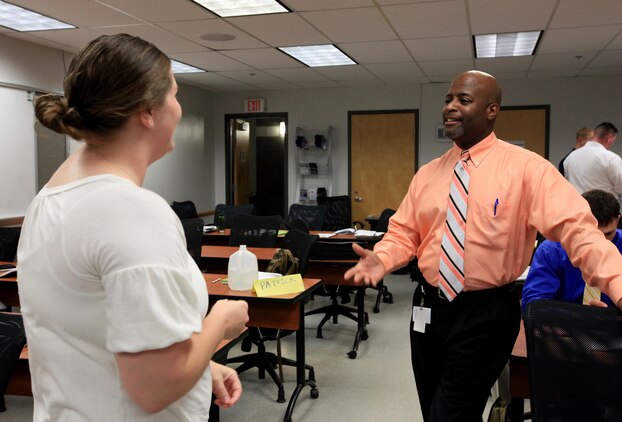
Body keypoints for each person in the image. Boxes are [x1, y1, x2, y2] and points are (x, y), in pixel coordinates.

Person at [344, 70, 622, 421]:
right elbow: (404, 233)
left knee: (452, 413)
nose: (450, 107)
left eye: (463, 99)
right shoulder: (428, 174)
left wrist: (619, 285)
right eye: (448, 99)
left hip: (486, 314)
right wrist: (382, 259)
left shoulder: (527, 169)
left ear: (492, 110)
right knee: (433, 409)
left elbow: (580, 232)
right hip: (429, 309)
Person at [17, 34, 249, 421]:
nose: (178, 107)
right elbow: (154, 387)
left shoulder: (50, 199)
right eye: (174, 94)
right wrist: (220, 323)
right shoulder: (131, 212)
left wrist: (199, 370)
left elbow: (93, 336)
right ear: (147, 111)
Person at [523, 189, 620, 312]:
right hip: (565, 327)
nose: (599, 244)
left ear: (618, 220)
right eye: (592, 235)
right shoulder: (551, 251)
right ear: (577, 222)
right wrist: (577, 316)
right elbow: (534, 305)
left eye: (608, 234)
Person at [563, 122, 622, 202]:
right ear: (609, 138)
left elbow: (567, 184)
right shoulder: (610, 158)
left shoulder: (570, 157)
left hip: (577, 208)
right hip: (604, 210)